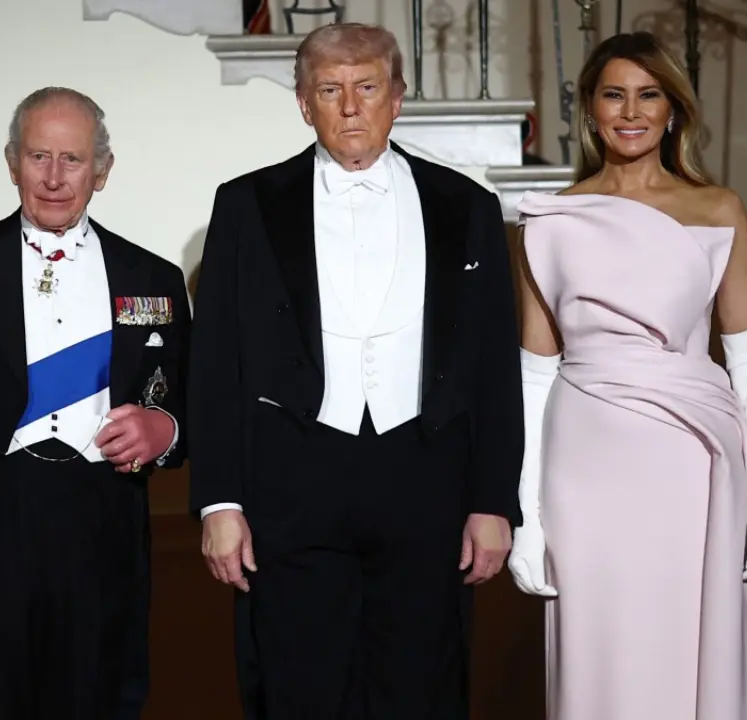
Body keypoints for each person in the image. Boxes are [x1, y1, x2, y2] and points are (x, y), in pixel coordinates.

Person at [188, 22, 523, 718]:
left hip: (426, 477)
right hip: (292, 479)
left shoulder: (468, 208)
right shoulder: (245, 205)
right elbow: (216, 362)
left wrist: (493, 500)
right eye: (330, 90)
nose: (350, 107)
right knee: (297, 684)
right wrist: (219, 503)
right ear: (304, 104)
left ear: (396, 98)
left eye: (367, 88)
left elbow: (494, 365)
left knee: (423, 685)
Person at [508, 32, 747, 720]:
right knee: (604, 658)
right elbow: (534, 372)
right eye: (614, 94)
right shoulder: (548, 219)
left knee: (694, 649)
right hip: (586, 463)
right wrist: (526, 519)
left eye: (649, 94)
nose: (631, 111)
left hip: (695, 461)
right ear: (591, 109)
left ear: (673, 110)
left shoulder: (717, 209)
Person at [0, 86, 190, 719]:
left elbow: (193, 404)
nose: (54, 179)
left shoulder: (152, 277)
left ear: (102, 170)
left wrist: (164, 429)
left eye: (73, 160)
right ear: (11, 162)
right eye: (38, 157)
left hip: (101, 520)